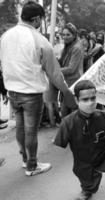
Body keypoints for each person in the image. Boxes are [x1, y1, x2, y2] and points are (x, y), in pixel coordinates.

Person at [0, 1, 76, 176]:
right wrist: (66, 91)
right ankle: (32, 166)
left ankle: (25, 160)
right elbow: (55, 74)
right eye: (41, 19)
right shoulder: (40, 40)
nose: (41, 22)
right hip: (31, 94)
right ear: (36, 19)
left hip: (13, 92)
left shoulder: (5, 37)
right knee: (30, 131)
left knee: (20, 128)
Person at [53, 80, 105, 200]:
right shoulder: (67, 122)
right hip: (84, 163)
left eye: (93, 98)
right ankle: (87, 190)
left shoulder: (104, 116)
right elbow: (60, 143)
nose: (90, 103)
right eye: (85, 100)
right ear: (76, 100)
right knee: (89, 186)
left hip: (104, 156)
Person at [59, 22, 84, 117]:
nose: (65, 37)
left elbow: (71, 69)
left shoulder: (76, 47)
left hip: (73, 84)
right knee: (65, 115)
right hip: (67, 84)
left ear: (74, 35)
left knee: (72, 116)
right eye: (63, 34)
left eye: (68, 34)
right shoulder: (69, 46)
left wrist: (55, 70)